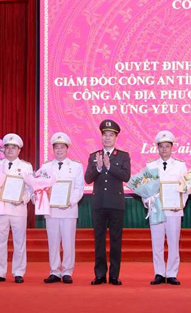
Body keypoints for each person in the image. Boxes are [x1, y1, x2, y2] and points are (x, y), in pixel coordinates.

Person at [85, 119, 131, 286]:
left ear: (116, 137)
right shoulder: (94, 156)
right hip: (99, 203)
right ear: (101, 136)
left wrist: (109, 166)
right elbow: (87, 179)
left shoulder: (123, 156)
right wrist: (98, 168)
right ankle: (99, 275)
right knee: (99, 240)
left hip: (116, 204)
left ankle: (114, 275)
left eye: (111, 135)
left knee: (115, 241)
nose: (107, 138)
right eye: (105, 134)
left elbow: (126, 176)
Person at [37, 132, 85, 284]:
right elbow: (40, 187)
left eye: (62, 147)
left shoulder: (76, 166)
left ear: (67, 148)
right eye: (56, 147)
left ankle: (67, 271)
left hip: (68, 210)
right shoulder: (45, 167)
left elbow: (79, 188)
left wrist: (69, 201)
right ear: (53, 149)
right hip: (51, 210)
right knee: (53, 242)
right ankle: (54, 271)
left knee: (68, 242)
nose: (59, 150)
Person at [0, 133, 33, 284]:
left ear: (19, 150)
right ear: (4, 149)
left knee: (19, 242)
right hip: (0, 209)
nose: (10, 150)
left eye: (14, 147)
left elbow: (30, 189)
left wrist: (23, 199)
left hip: (18, 209)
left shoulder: (26, 167)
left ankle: (18, 272)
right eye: (7, 147)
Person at [145, 130, 188, 285]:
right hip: (156, 210)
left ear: (172, 147)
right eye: (161, 146)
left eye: (167, 146)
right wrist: (148, 201)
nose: (164, 149)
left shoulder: (180, 166)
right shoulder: (150, 165)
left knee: (173, 242)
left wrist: (180, 203)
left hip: (174, 210)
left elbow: (185, 188)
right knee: (157, 243)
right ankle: (159, 273)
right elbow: (146, 188)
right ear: (157, 148)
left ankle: (171, 273)